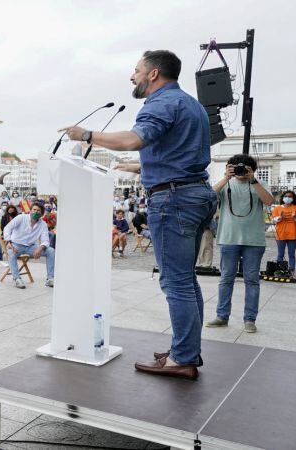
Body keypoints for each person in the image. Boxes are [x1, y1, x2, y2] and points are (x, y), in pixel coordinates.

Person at [62, 49, 215, 380]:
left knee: (175, 282)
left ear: (154, 74)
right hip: (197, 194)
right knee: (186, 279)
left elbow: (133, 139)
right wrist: (139, 168)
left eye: (136, 70)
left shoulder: (160, 103)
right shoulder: (192, 104)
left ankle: (183, 358)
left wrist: (86, 134)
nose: (132, 76)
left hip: (173, 200)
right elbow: (178, 152)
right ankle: (185, 350)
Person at [207, 155, 273, 334]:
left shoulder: (258, 184)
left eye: (244, 168)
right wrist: (226, 177)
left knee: (252, 281)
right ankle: (222, 316)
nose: (240, 171)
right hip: (229, 238)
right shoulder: (226, 183)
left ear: (252, 169)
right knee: (226, 279)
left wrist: (253, 180)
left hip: (254, 240)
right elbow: (209, 196)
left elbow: (269, 201)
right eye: (236, 167)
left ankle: (250, 320)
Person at [3, 203, 55, 288]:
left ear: (41, 214)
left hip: (31, 246)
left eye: (38, 211)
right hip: (16, 245)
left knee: (51, 251)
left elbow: (45, 240)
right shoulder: (21, 217)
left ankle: (50, 279)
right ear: (30, 210)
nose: (35, 212)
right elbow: (7, 228)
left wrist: (40, 249)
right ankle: (17, 279)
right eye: (34, 210)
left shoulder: (43, 224)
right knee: (11, 253)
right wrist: (9, 242)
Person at [271, 190, 296, 275]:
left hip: (293, 234)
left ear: (293, 198)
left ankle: (292, 271)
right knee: (280, 254)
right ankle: (279, 270)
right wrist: (280, 217)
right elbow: (274, 219)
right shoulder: (277, 208)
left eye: (290, 196)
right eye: (286, 196)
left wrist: (295, 216)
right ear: (283, 198)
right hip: (281, 234)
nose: (288, 198)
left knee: (291, 254)